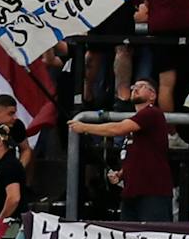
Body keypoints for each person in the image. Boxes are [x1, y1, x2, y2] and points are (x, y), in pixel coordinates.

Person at [69, 78, 173, 221]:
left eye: (142, 86)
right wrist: (121, 174)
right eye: (134, 86)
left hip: (152, 192)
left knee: (153, 235)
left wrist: (85, 127)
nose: (135, 89)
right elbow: (138, 155)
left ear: (152, 95)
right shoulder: (136, 123)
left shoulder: (151, 113)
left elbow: (117, 128)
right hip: (132, 192)